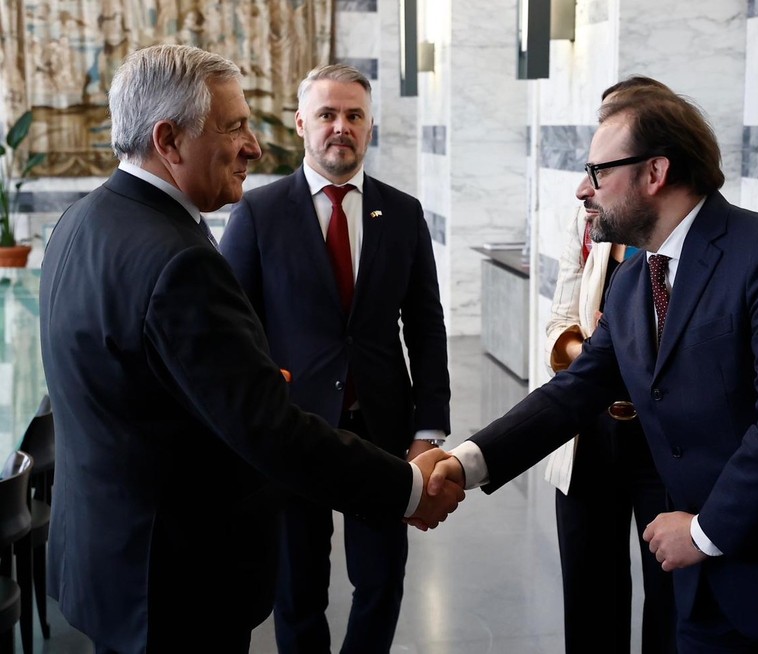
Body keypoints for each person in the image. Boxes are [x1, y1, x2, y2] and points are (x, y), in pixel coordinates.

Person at [428, 84, 758, 651]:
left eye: (598, 171)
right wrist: (465, 463)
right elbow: (574, 391)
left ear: (655, 172)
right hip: (704, 599)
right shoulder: (632, 283)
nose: (583, 189)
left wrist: (702, 533)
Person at [38, 44, 463, 654]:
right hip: (175, 581)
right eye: (234, 126)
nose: (254, 147)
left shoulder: (79, 221)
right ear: (169, 140)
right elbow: (266, 426)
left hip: (111, 564)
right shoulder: (179, 260)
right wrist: (410, 488)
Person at [219, 63, 450, 654]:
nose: (340, 127)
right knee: (298, 589)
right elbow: (234, 330)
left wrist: (428, 430)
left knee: (381, 581)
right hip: (292, 429)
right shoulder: (258, 213)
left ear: (370, 127)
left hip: (382, 430)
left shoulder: (403, 214)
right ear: (302, 123)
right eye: (327, 114)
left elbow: (426, 327)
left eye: (354, 115)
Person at [544, 78, 676, 654]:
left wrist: (630, 357)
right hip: (589, 431)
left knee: (673, 601)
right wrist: (597, 353)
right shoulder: (588, 218)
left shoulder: (684, 232)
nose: (587, 186)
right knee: (589, 593)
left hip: (665, 439)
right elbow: (559, 321)